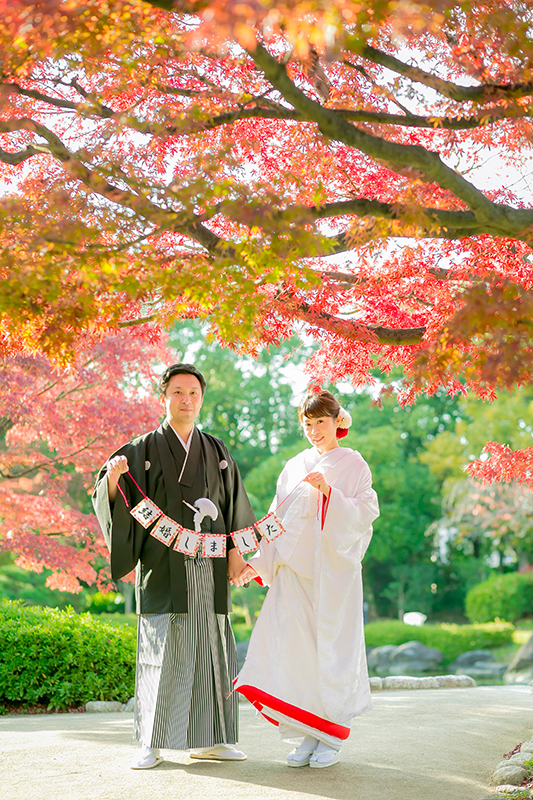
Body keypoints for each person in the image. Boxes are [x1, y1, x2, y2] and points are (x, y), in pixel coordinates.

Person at [92, 363, 256, 769]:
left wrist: (236, 555)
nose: (187, 400)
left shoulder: (216, 451)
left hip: (210, 567)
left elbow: (234, 505)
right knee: (161, 651)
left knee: (212, 649)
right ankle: (151, 741)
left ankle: (211, 739)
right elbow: (110, 492)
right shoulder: (142, 449)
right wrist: (113, 480)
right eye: (178, 392)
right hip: (164, 566)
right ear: (164, 397)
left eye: (193, 393)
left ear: (201, 398)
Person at [233, 390, 379, 769]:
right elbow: (276, 518)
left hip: (332, 577)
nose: (314, 430)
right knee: (295, 651)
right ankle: (308, 731)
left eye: (321, 422)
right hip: (294, 575)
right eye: (308, 423)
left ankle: (331, 735)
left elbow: (366, 512)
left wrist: (329, 493)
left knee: (331, 652)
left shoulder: (353, 463)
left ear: (337, 421)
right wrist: (258, 563)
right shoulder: (294, 465)